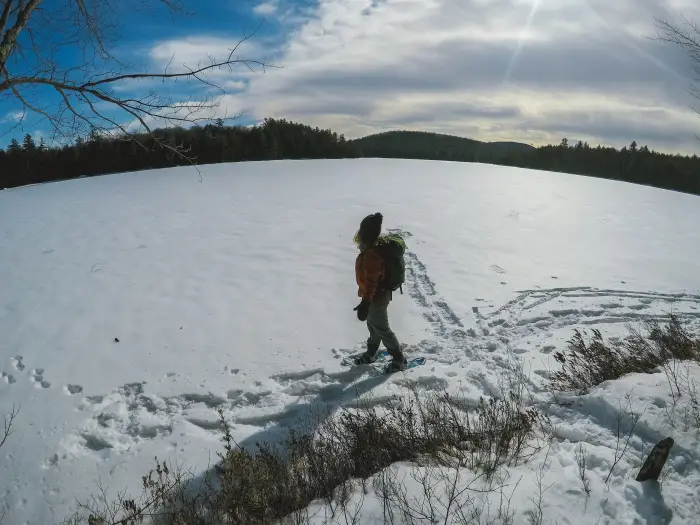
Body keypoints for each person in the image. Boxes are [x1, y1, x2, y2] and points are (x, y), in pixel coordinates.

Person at [353, 212, 408, 372]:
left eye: (362, 230)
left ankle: (399, 360)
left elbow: (372, 282)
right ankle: (372, 352)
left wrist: (365, 303)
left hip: (377, 296)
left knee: (382, 328)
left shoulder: (372, 254)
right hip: (373, 296)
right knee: (372, 324)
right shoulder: (372, 247)